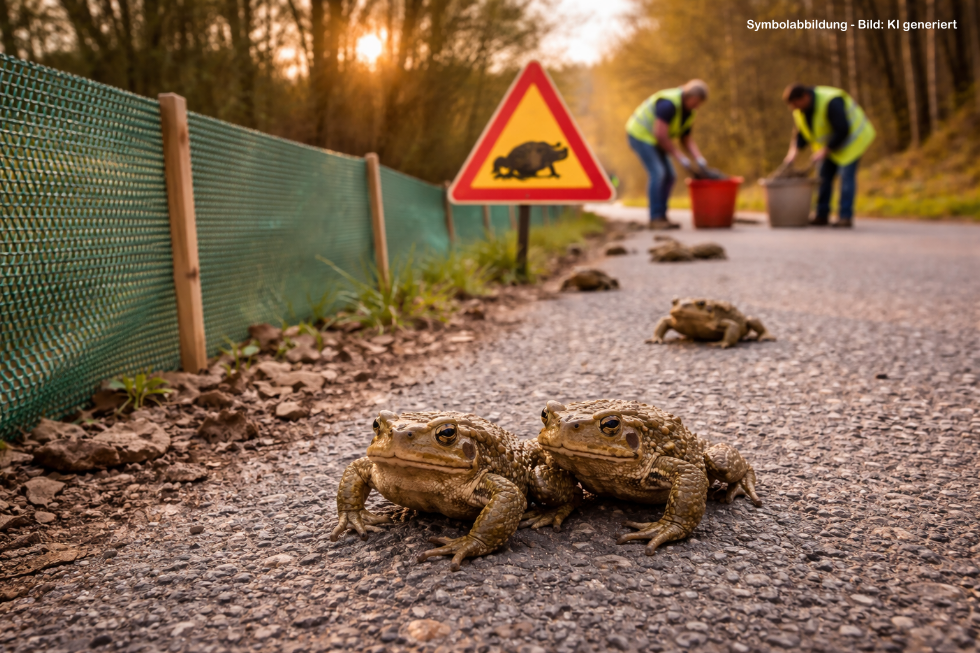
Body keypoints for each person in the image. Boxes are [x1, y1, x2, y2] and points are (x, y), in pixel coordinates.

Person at [781, 84, 876, 228]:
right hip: (831, 146)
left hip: (852, 142)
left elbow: (843, 129)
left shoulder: (831, 101)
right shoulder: (801, 110)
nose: (793, 108)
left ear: (804, 96)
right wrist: (793, 151)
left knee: (846, 178)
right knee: (823, 177)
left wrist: (825, 150)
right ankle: (821, 215)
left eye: (795, 104)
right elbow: (803, 133)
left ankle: (845, 217)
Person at [626, 79, 710, 229]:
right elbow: (661, 135)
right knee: (658, 173)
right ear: (687, 96)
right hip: (640, 135)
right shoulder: (668, 104)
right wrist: (680, 157)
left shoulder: (689, 113)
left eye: (699, 104)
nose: (697, 107)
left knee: (671, 175)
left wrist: (699, 159)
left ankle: (663, 217)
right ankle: (655, 218)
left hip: (655, 139)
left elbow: (686, 139)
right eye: (695, 102)